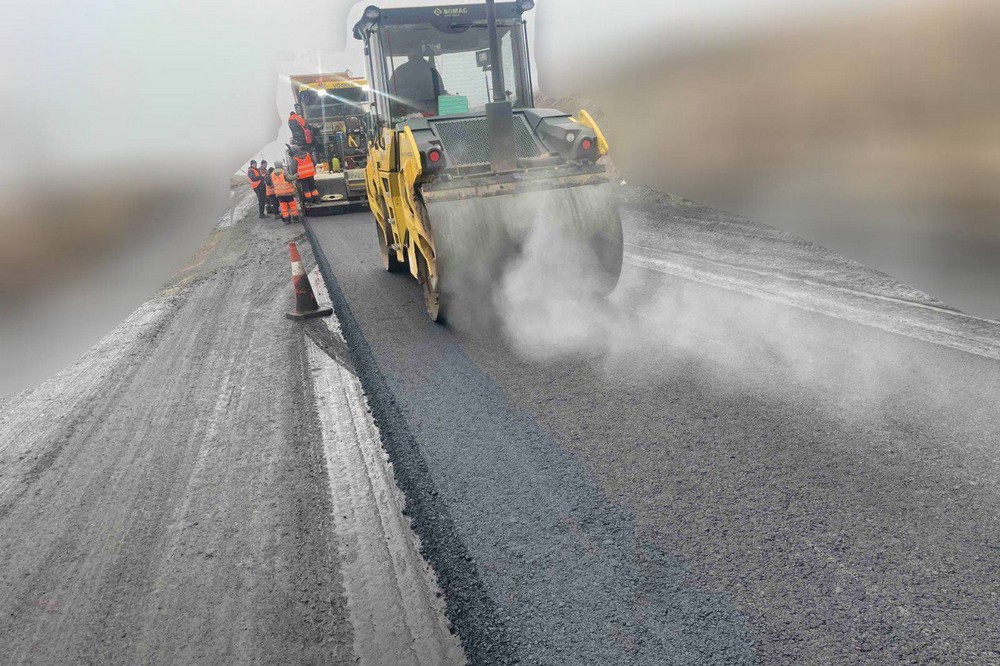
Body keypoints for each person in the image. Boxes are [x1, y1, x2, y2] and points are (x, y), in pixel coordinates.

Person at [388, 50, 445, 116]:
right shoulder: (431, 70)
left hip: (410, 117)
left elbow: (392, 97)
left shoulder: (399, 71)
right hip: (428, 114)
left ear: (409, 55)